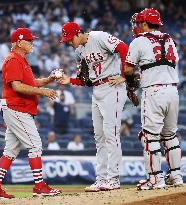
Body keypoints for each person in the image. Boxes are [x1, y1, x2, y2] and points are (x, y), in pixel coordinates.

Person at [0, 28, 61, 199]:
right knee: (35, 146)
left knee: (10, 151)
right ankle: (39, 186)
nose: (32, 43)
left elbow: (32, 83)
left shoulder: (21, 60)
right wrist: (43, 92)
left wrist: (49, 79)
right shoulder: (13, 60)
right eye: (29, 40)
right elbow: (17, 87)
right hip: (16, 107)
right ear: (19, 42)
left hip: (18, 108)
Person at [59, 22, 128, 191]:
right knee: (99, 136)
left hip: (112, 87)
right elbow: (85, 80)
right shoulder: (79, 51)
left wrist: (124, 75)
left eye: (70, 39)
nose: (69, 42)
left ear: (78, 33)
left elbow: (124, 48)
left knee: (111, 134)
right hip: (97, 90)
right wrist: (70, 81)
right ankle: (101, 178)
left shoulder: (99, 36)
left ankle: (114, 178)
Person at [123, 8, 183, 190]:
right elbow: (163, 65)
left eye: (140, 23)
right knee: (170, 135)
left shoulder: (139, 40)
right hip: (173, 91)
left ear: (144, 23)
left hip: (154, 92)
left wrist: (132, 84)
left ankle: (155, 179)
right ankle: (176, 176)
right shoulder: (171, 40)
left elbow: (127, 70)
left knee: (150, 137)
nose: (138, 26)